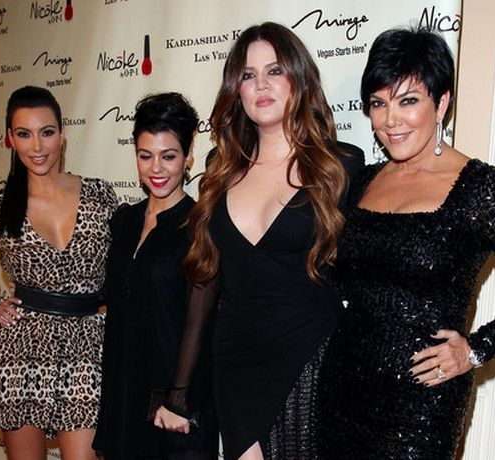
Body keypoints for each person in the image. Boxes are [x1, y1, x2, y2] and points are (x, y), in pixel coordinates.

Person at [316, 27, 495, 459]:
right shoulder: (363, 180)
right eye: (378, 104)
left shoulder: (479, 189)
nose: (390, 120)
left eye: (407, 101)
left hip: (421, 404)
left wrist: (477, 349)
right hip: (342, 387)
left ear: (441, 103)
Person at [172, 22, 362, 460]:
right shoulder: (221, 166)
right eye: (248, 75)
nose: (261, 84)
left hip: (311, 357)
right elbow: (207, 280)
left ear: (299, 78)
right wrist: (180, 389)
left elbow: (367, 273)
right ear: (235, 90)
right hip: (235, 361)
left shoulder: (341, 165)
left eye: (274, 70)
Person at [0, 86, 117, 460]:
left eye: (47, 132)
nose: (37, 146)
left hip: (85, 345)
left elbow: (122, 268)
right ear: (10, 138)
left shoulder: (99, 195)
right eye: (24, 134)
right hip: (19, 348)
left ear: (62, 135)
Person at [93, 92, 218, 460]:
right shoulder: (124, 221)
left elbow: (200, 323)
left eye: (169, 156)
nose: (156, 169)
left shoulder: (200, 226)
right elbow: (111, 297)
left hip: (171, 406)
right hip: (124, 394)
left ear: (189, 155)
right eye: (145, 156)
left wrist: (178, 401)